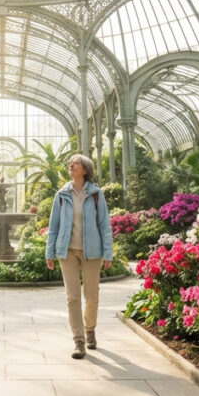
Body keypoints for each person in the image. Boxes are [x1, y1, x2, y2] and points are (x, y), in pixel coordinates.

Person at [44, 153, 113, 359]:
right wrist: (50, 252)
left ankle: (89, 328)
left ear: (85, 169)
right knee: (72, 297)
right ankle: (79, 340)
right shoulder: (61, 194)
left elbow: (104, 225)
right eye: (70, 163)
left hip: (92, 252)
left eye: (76, 163)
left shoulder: (96, 194)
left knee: (91, 295)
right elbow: (53, 226)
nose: (71, 165)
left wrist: (108, 253)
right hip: (67, 252)